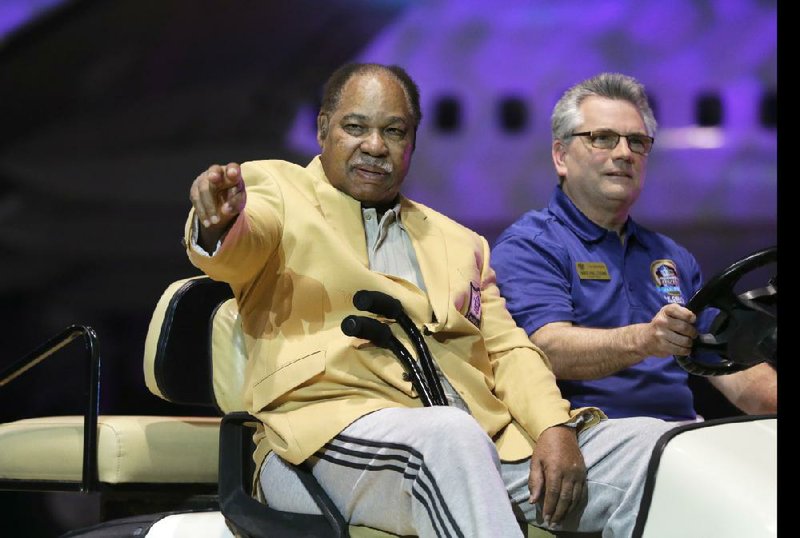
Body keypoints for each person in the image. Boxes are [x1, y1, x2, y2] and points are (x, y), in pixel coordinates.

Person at [186, 62, 674, 537]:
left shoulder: (461, 242)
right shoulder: (275, 191)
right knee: (449, 438)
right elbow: (238, 245)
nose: (375, 146)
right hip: (320, 438)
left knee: (651, 448)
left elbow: (509, 350)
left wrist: (553, 427)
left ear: (412, 143)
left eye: (394, 132)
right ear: (323, 131)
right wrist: (219, 223)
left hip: (475, 441)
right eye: (356, 127)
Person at [491, 72, 777, 422]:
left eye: (637, 141)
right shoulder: (530, 246)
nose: (624, 153)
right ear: (561, 156)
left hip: (679, 435)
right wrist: (646, 339)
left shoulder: (670, 256)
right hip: (590, 435)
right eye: (603, 138)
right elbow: (546, 350)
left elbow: (728, 363)